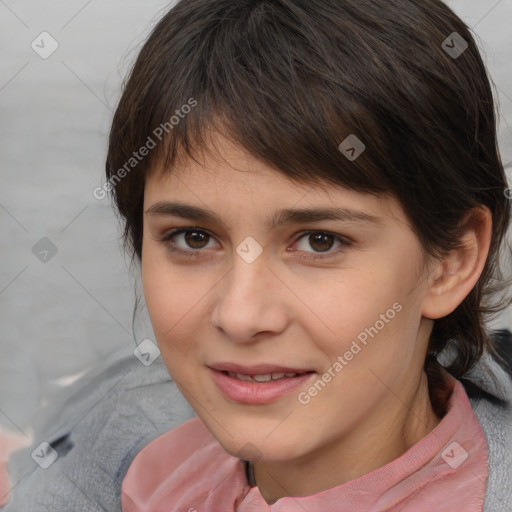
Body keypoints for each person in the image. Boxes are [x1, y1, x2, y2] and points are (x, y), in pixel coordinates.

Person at [11, 0, 512, 510]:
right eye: (194, 238)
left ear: (451, 260)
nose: (241, 316)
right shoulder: (125, 444)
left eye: (320, 241)